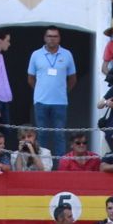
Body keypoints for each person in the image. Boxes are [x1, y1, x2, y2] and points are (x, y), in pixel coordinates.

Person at [27, 27, 77, 159]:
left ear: (59, 38)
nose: (52, 39)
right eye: (49, 36)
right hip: (40, 102)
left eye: (55, 36)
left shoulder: (67, 54)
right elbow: (30, 78)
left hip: (60, 102)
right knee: (42, 134)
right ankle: (43, 164)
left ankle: (60, 165)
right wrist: (40, 91)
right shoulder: (36, 54)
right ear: (44, 38)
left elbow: (72, 78)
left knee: (59, 135)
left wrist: (64, 92)